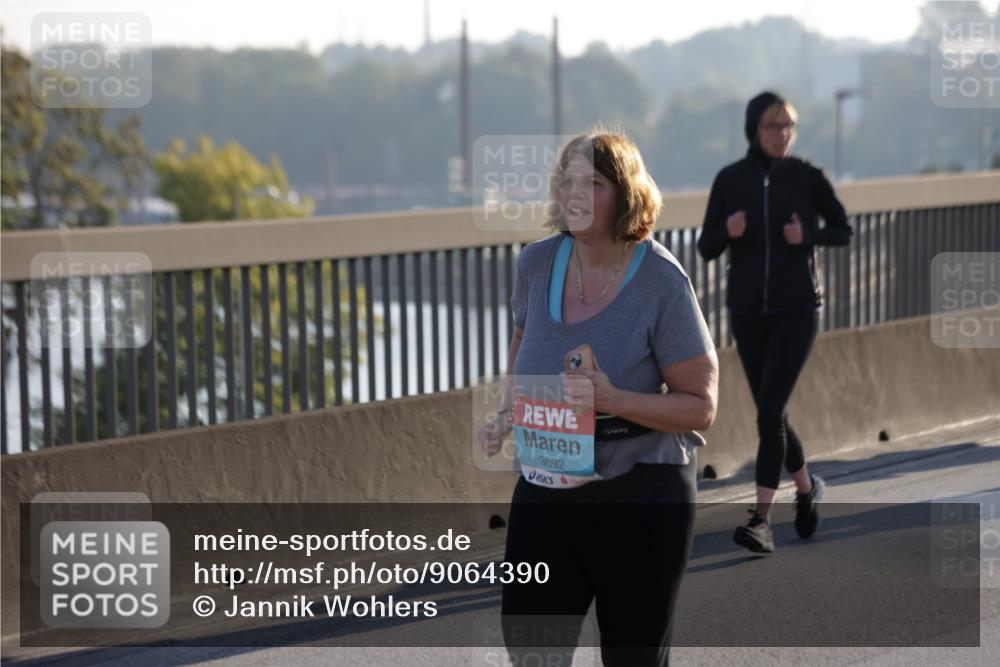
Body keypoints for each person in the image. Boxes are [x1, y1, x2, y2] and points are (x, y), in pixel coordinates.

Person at [479, 130, 718, 666]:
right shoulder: (535, 264)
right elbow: (523, 343)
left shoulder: (661, 280)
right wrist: (504, 416)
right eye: (568, 181)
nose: (577, 195)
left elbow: (700, 406)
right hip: (544, 492)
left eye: (594, 182)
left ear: (627, 194)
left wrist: (613, 397)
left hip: (639, 497)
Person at [697, 91, 852, 554]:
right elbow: (706, 246)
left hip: (797, 310)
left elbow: (844, 230)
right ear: (754, 130)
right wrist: (729, 230)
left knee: (767, 414)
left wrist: (809, 237)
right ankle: (806, 491)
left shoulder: (807, 177)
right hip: (748, 313)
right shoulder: (730, 180)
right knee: (774, 413)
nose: (782, 134)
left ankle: (761, 520)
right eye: (773, 126)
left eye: (788, 126)